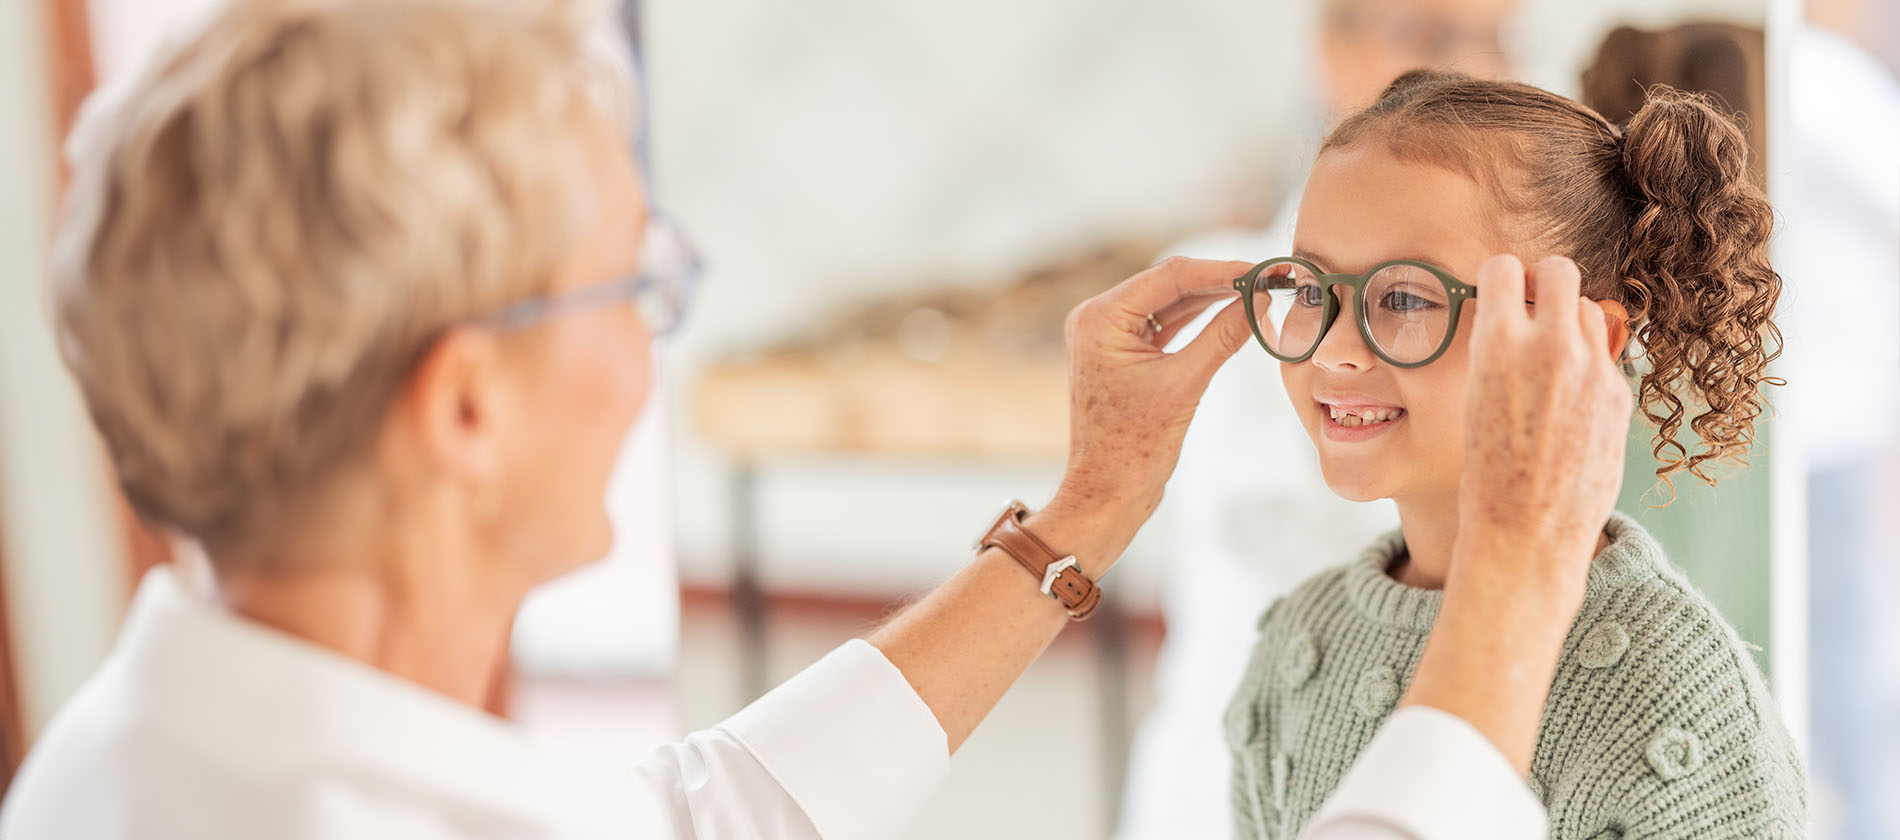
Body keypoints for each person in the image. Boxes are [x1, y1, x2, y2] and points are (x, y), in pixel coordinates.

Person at [0, 1, 1635, 838]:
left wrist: (1083, 515)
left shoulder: (139, 751)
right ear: (468, 405)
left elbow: (696, 818)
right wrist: (1514, 584)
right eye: (631, 290)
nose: (661, 345)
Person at [1222, 69, 1806, 839]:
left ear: (1580, 341)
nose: (1332, 349)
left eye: (1403, 299)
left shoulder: (1678, 693)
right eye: (1307, 289)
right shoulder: (1302, 642)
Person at [1120, 3, 1518, 835]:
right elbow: (1278, 525)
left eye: (1497, 39)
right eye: (1436, 37)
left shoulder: (1515, 297)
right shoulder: (1232, 300)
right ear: (1331, 50)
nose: (1473, 68)